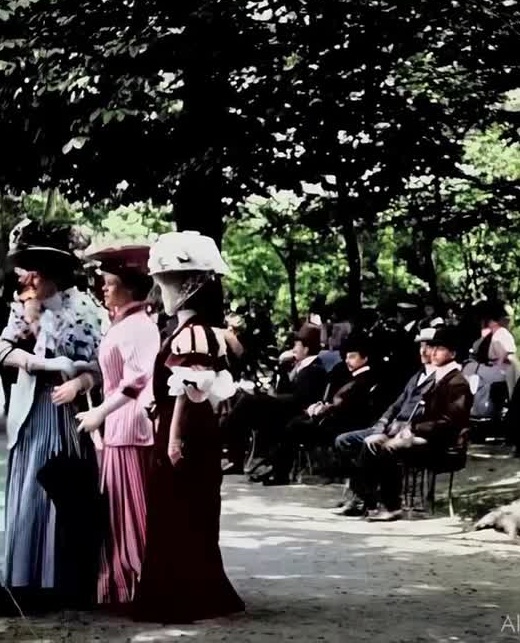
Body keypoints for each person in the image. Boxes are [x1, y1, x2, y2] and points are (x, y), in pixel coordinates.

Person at [132, 231, 244, 623]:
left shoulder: (194, 332)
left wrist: (174, 435)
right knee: (191, 508)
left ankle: (179, 595)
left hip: (187, 431)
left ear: (189, 285)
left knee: (177, 508)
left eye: (168, 283)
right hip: (192, 429)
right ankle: (197, 589)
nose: (161, 290)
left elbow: (189, 390)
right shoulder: (203, 331)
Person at [0, 219, 106, 605]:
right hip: (31, 406)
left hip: (66, 410)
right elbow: (2, 349)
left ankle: (63, 578)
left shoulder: (85, 310)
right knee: (28, 485)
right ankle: (27, 577)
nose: (31, 278)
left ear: (55, 274)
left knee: (60, 485)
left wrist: (75, 377)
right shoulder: (24, 307)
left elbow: (99, 365)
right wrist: (30, 361)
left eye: (39, 272)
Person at [70, 245, 159, 605]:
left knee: (132, 511)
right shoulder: (125, 324)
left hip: (131, 427)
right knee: (119, 512)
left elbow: (138, 379)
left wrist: (100, 413)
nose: (103, 289)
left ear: (128, 287)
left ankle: (138, 582)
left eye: (109, 283)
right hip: (119, 427)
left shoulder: (139, 327)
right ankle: (123, 583)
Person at [340, 326, 471, 522]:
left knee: (390, 448)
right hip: (421, 435)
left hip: (441, 444)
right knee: (372, 443)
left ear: (453, 353)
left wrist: (412, 428)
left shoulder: (457, 383)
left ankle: (392, 507)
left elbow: (449, 423)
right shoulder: (439, 377)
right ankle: (369, 500)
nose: (433, 352)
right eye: (433, 348)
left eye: (440, 349)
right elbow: (405, 407)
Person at [333, 326, 438, 514]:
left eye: (428, 346)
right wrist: (382, 422)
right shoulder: (418, 375)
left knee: (370, 444)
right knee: (343, 441)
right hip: (390, 426)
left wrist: (407, 427)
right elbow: (395, 405)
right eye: (421, 345)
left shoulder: (440, 379)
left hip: (407, 431)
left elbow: (432, 415)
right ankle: (365, 495)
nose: (423, 350)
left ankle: (364, 500)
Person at [259, 333, 382, 486]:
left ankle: (281, 473)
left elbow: (347, 406)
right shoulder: (352, 376)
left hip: (343, 424)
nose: (347, 361)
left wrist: (322, 409)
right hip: (336, 419)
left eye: (352, 357)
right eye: (347, 357)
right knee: (292, 423)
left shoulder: (364, 379)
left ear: (364, 358)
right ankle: (277, 469)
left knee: (295, 426)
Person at [224, 322, 328, 475]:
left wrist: (271, 400)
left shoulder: (315, 369)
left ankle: (223, 436)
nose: (293, 349)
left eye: (296, 346)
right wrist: (282, 368)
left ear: (306, 348)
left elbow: (300, 399)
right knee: (242, 403)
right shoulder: (297, 366)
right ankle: (235, 458)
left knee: (248, 401)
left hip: (297, 413)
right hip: (283, 410)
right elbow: (283, 390)